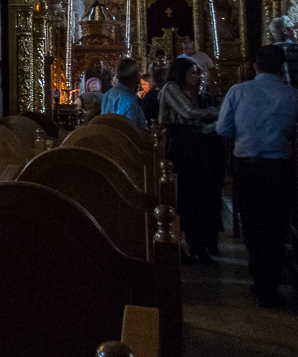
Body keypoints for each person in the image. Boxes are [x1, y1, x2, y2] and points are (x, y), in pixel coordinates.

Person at [216, 45, 298, 307]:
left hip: (247, 166)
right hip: (279, 167)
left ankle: (258, 278)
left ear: (255, 65)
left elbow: (222, 128)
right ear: (281, 67)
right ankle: (268, 285)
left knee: (251, 222)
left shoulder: (238, 91)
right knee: (274, 225)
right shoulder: (292, 95)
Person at [159, 57, 220, 263]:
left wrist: (218, 126)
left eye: (199, 73)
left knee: (197, 197)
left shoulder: (197, 95)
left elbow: (200, 127)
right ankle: (179, 247)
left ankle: (198, 246)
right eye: (193, 72)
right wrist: (220, 113)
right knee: (183, 197)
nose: (198, 76)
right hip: (178, 148)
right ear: (181, 72)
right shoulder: (171, 88)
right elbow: (188, 112)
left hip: (193, 146)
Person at [101, 58, 147, 133]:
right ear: (132, 76)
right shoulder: (128, 99)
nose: (140, 75)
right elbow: (128, 129)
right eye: (138, 72)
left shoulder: (109, 93)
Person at [268, 15, 298, 88]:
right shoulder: (295, 49)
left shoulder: (267, 52)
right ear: (285, 31)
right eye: (293, 28)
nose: (296, 31)